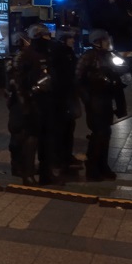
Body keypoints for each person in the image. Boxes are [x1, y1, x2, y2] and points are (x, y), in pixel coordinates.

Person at [12, 23, 63, 186]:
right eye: (46, 36)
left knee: (48, 139)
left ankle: (46, 173)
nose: (49, 39)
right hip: (32, 102)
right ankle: (28, 174)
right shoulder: (24, 56)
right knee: (31, 139)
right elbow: (17, 83)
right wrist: (29, 98)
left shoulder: (46, 53)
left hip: (46, 102)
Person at [75, 28, 125, 181]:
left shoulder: (109, 56)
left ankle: (103, 166)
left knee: (106, 134)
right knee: (99, 134)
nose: (108, 43)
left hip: (106, 100)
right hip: (95, 100)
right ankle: (93, 167)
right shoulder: (88, 56)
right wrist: (87, 99)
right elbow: (77, 79)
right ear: (97, 42)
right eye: (105, 40)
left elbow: (121, 72)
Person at [50, 28, 84, 175]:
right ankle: (59, 158)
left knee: (69, 128)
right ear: (64, 39)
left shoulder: (69, 53)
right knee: (61, 129)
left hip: (69, 95)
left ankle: (66, 156)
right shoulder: (59, 54)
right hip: (61, 97)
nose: (73, 41)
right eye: (71, 38)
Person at [4, 31, 30, 176]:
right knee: (17, 134)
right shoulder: (14, 59)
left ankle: (24, 164)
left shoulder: (21, 57)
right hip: (16, 101)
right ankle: (17, 165)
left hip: (20, 99)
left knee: (25, 134)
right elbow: (14, 83)